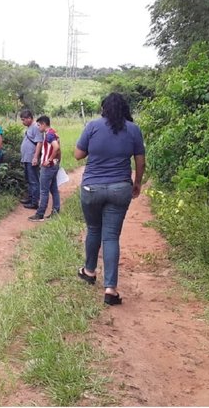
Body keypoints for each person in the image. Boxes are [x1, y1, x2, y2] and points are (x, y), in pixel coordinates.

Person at [74, 92, 146, 306]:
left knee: (94, 230)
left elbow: (78, 155)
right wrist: (137, 183)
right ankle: (110, 289)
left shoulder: (93, 127)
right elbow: (140, 162)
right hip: (120, 188)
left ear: (103, 108)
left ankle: (88, 271)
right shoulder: (133, 130)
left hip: (92, 188)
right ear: (125, 109)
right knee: (111, 236)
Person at [28, 115, 61, 222]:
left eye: (38, 125)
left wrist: (49, 160)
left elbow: (56, 147)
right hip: (54, 165)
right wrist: (57, 161)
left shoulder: (49, 135)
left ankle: (40, 213)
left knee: (44, 190)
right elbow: (58, 149)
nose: (38, 127)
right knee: (54, 189)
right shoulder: (54, 132)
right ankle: (56, 210)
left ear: (43, 124)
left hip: (48, 166)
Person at [19, 109, 43, 209]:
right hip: (26, 158)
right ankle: (30, 197)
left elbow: (39, 142)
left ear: (29, 118)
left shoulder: (36, 127)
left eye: (24, 119)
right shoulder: (29, 128)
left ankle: (34, 202)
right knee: (28, 179)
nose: (22, 122)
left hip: (31, 158)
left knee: (33, 180)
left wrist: (35, 157)